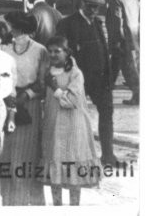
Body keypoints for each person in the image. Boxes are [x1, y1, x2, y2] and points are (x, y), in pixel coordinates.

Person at [57, 0, 118, 165]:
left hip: (100, 79)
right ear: (81, 4)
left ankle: (108, 155)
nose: (93, 11)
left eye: (97, 8)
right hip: (79, 80)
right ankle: (74, 155)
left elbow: (104, 52)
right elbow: (62, 52)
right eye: (91, 7)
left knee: (107, 114)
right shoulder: (67, 24)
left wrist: (109, 78)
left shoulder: (98, 23)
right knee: (74, 117)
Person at [41, 35, 102, 206]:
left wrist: (54, 87)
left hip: (73, 124)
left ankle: (74, 207)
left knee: (73, 162)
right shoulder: (48, 71)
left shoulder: (75, 73)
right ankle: (57, 206)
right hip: (53, 124)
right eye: (50, 51)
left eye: (57, 51)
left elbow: (71, 101)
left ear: (67, 52)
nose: (53, 55)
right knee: (55, 161)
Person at [0, 12, 48, 205]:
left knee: (25, 156)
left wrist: (24, 96)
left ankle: (27, 202)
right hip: (6, 103)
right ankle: (8, 202)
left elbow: (42, 83)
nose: (6, 29)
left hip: (29, 103)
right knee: (6, 156)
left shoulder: (39, 50)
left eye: (9, 25)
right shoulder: (3, 47)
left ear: (18, 28)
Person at [104, 0, 139, 106]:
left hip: (121, 42)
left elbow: (116, 23)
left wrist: (114, 44)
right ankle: (105, 91)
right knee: (122, 68)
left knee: (128, 70)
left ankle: (138, 95)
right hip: (133, 40)